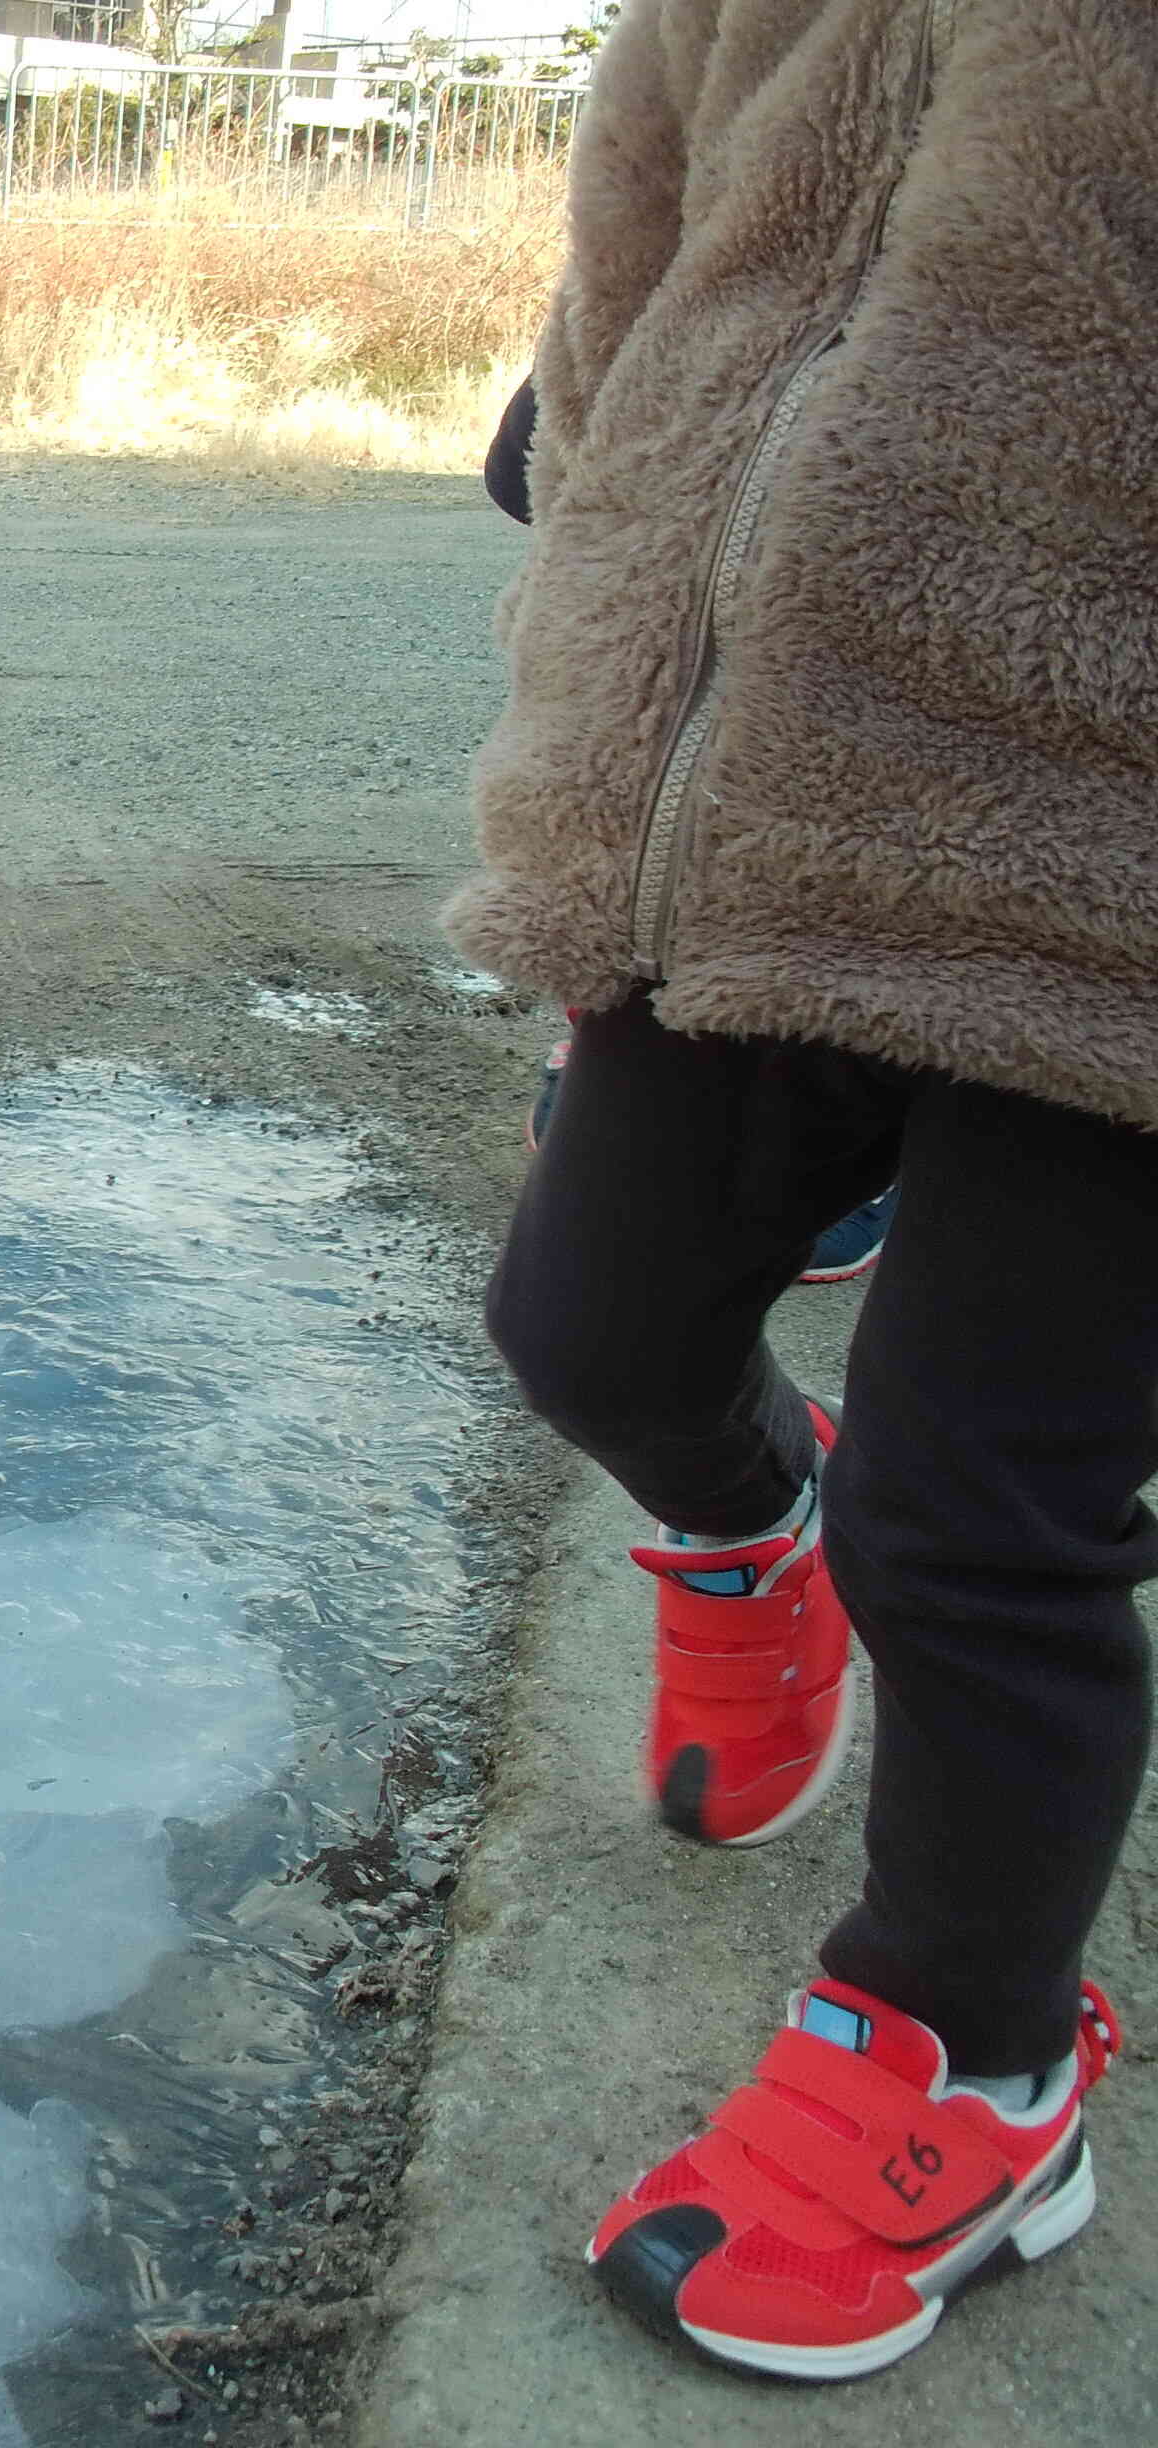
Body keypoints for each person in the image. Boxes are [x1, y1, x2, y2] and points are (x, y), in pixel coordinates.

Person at [450, 0, 1158, 2384]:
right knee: (587, 1319)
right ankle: (755, 1528)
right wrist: (596, 503)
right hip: (744, 788)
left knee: (976, 1509)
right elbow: (638, 223)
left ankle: (975, 2048)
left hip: (1114, 847)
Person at [487, 374, 897, 1284]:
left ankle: (869, 1136)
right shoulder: (715, 243)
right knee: (635, 847)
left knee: (864, 882)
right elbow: (519, 475)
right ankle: (606, 1059)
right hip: (682, 637)